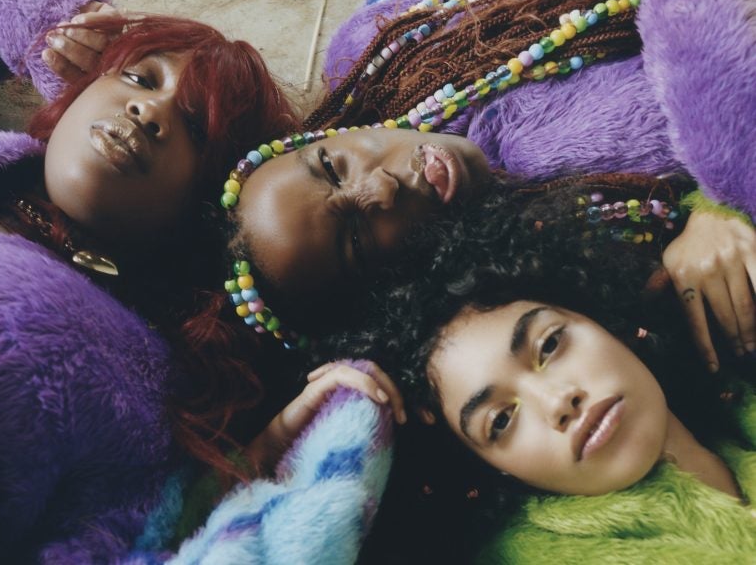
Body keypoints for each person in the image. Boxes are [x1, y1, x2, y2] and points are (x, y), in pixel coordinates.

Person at [0, 0, 336, 561]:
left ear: (202, 211)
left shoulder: (142, 390)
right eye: (140, 77)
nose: (149, 111)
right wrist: (40, 26)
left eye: (194, 128)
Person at [209, 0, 755, 372]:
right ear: (388, 291)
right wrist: (715, 205)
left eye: (333, 167)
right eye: (355, 237)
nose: (379, 187)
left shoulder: (389, 48)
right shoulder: (571, 275)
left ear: (326, 135)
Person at [317, 171, 756, 562]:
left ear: (600, 319)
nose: (559, 402)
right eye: (501, 421)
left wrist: (722, 205)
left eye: (549, 345)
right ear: (495, 469)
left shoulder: (735, 401)